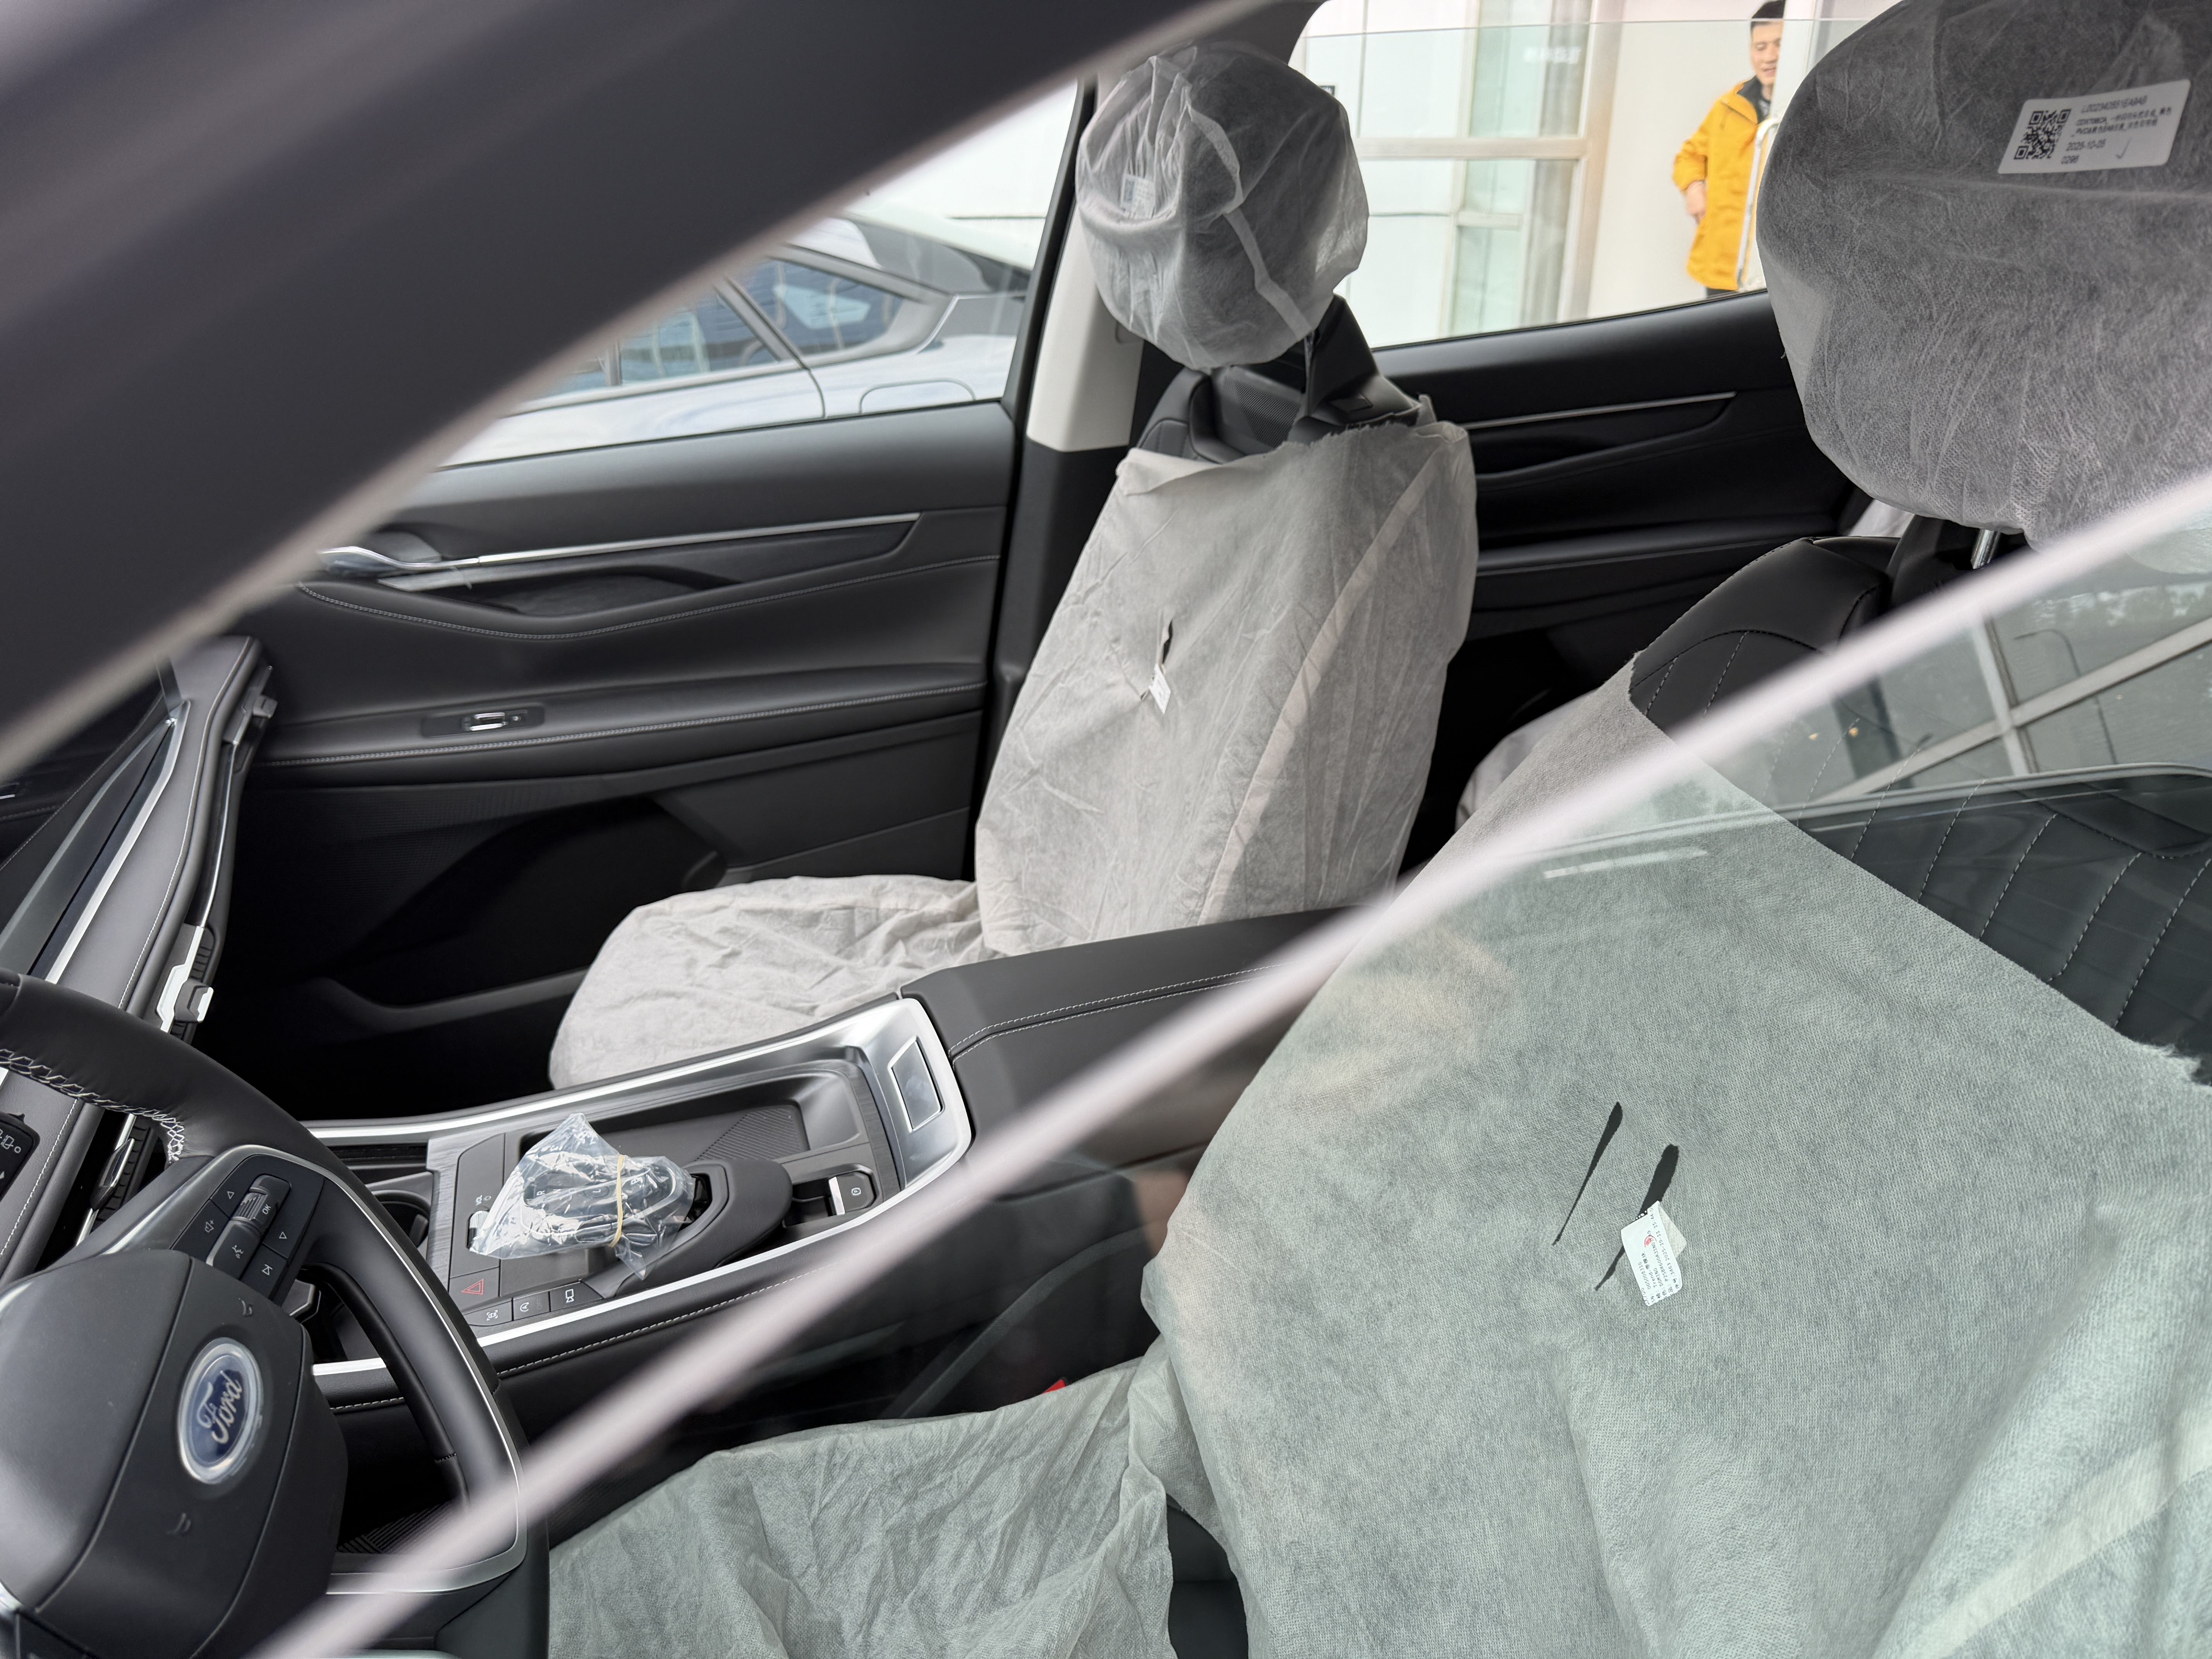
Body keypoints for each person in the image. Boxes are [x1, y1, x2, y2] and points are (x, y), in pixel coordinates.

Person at [1674, 0, 1783, 296]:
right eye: (1760, 47)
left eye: (1779, 45)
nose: (1769, 57)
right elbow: (1689, 156)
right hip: (1722, 269)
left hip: (1777, 273)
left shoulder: (1810, 110)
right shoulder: (1729, 106)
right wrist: (1694, 188)